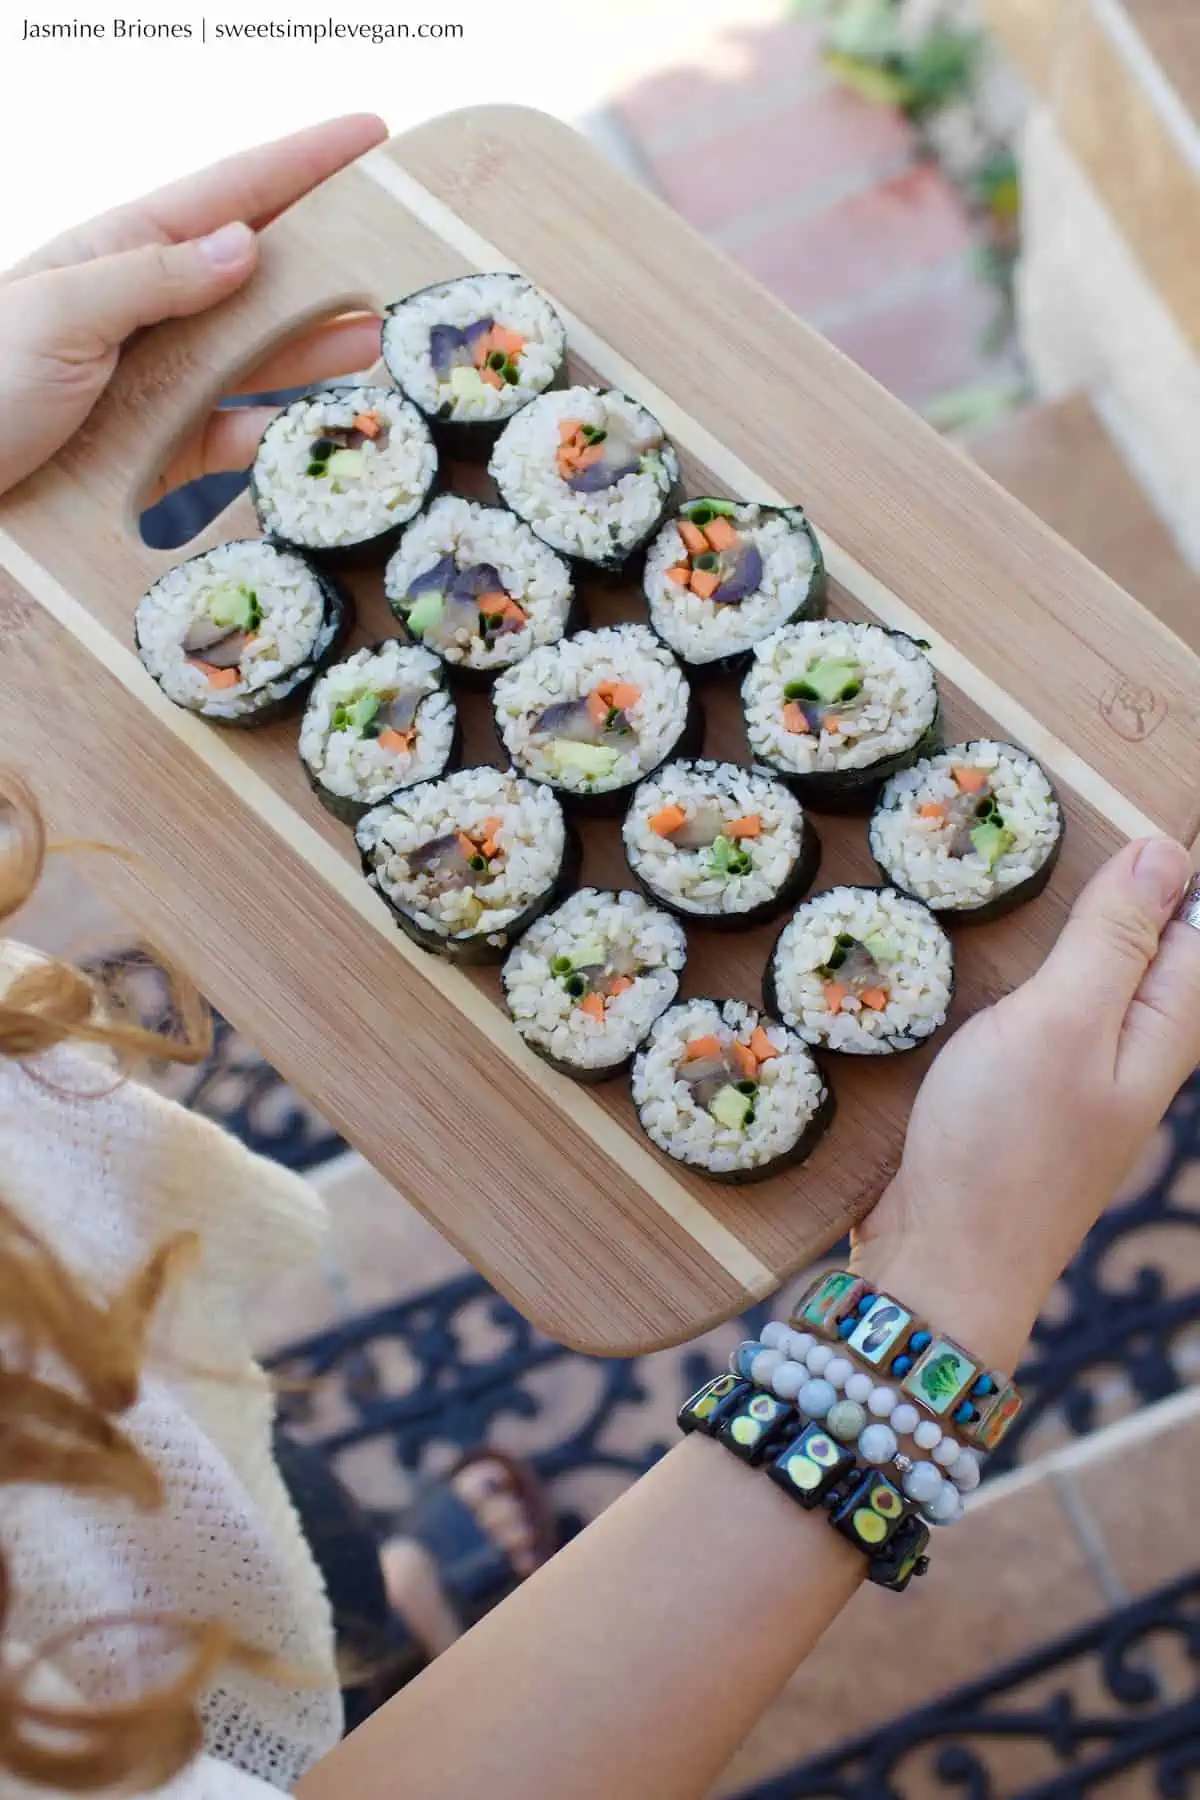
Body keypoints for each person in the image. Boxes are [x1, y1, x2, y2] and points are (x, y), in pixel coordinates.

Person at [0, 116, 1197, 1800]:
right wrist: (941, 1287)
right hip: (99, 1598)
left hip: (148, 1456)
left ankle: (401, 1604)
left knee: (311, 1565)